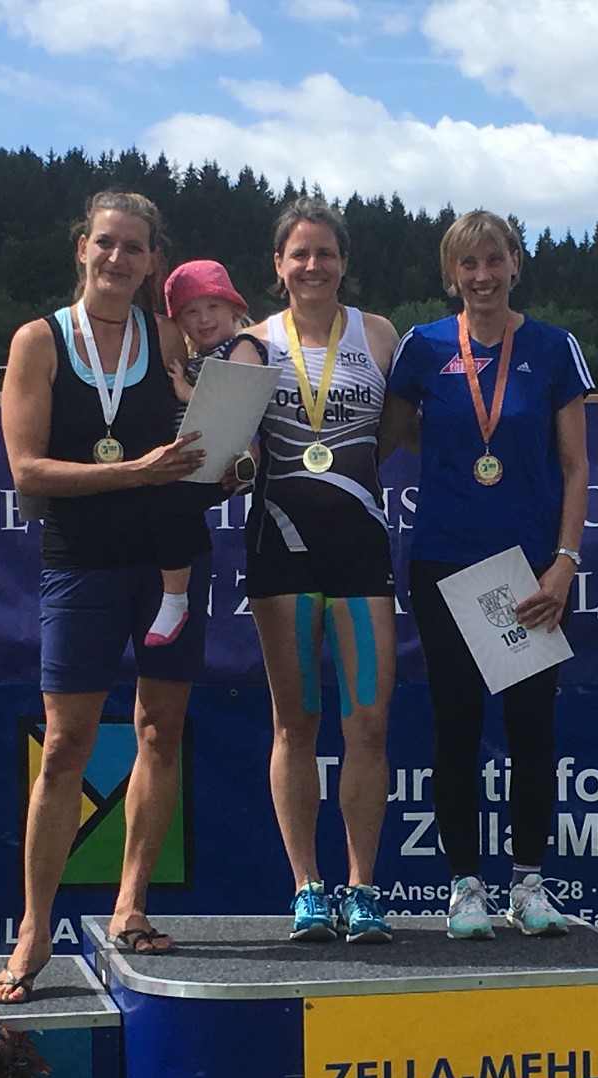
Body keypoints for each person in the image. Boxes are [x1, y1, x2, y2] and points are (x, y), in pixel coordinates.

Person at [0, 190, 211, 1003]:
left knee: (160, 732)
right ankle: (34, 927)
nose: (118, 258)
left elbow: (203, 432)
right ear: (82, 246)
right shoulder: (38, 340)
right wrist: (134, 473)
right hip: (80, 563)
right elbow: (26, 470)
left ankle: (130, 907)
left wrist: (228, 450)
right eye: (106, 243)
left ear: (153, 262)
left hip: (169, 565)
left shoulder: (167, 336)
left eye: (135, 247)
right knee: (64, 748)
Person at [384, 209, 594, 939]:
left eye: (494, 260)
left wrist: (564, 564)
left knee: (531, 728)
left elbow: (576, 467)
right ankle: (464, 886)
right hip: (445, 561)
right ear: (452, 274)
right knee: (457, 727)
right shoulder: (422, 346)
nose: (482, 276)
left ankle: (528, 884)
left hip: (529, 571)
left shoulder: (554, 347)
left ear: (515, 264)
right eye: (468, 264)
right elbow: (387, 436)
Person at [245, 197, 400, 943]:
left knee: (367, 721)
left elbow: (392, 432)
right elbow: (236, 445)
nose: (313, 266)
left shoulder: (378, 334)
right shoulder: (254, 343)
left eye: (326, 253)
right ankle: (308, 886)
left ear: (344, 262)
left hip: (360, 549)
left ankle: (362, 888)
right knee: (295, 722)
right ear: (278, 265)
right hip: (280, 550)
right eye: (299, 254)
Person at [144, 260, 266, 647]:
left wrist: (185, 393)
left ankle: (175, 599)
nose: (204, 319)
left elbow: (237, 407)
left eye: (213, 306)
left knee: (169, 502)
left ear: (234, 308)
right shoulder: (192, 357)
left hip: (222, 457)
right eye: (191, 312)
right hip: (191, 456)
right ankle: (180, 595)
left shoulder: (243, 346)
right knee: (172, 508)